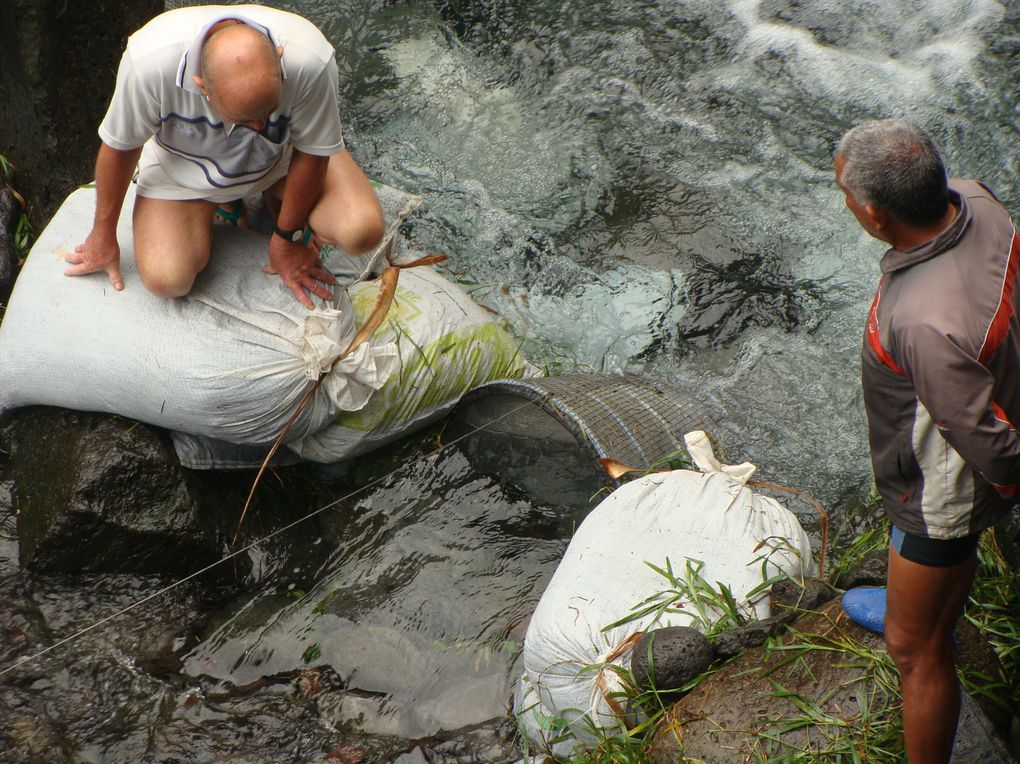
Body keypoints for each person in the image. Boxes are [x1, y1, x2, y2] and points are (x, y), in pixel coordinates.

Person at [835, 118, 1020, 763]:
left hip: (941, 481)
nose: (846, 204)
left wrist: (1004, 485)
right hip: (994, 386)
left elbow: (983, 442)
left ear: (879, 216)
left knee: (913, 650)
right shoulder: (977, 200)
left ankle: (924, 614)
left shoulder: (920, 319)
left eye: (847, 196)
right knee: (937, 552)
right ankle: (927, 591)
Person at [65, 4, 384, 309]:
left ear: (279, 57)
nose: (259, 127)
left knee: (361, 230)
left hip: (283, 158)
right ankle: (224, 203)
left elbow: (312, 154)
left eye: (266, 113)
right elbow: (120, 147)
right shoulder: (149, 64)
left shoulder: (310, 59)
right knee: (167, 279)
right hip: (185, 168)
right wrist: (102, 235)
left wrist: (287, 238)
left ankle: (277, 203)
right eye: (245, 119)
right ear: (201, 87)